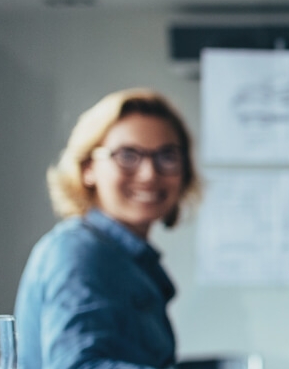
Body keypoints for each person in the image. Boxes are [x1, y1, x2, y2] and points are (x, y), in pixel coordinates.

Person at [15, 88, 201, 369]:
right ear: (88, 167)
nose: (149, 173)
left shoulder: (127, 261)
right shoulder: (78, 253)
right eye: (127, 155)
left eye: (167, 156)